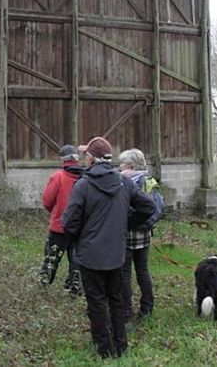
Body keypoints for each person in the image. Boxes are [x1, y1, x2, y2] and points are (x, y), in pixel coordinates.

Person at [62, 136, 155, 359]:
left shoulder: (83, 185)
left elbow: (68, 223)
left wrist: (82, 237)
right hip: (116, 255)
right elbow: (147, 207)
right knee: (116, 300)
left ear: (92, 159)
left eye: (87, 157)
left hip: (90, 256)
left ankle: (103, 349)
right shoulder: (124, 183)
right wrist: (125, 224)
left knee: (96, 302)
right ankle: (120, 346)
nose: (85, 161)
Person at [39, 144, 85, 296]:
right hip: (80, 228)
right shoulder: (86, 178)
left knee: (52, 257)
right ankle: (73, 288)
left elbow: (47, 201)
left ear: (63, 160)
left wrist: (55, 211)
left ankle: (44, 283)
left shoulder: (58, 177)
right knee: (77, 260)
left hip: (59, 227)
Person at [119, 148, 156, 324]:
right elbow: (153, 208)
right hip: (144, 235)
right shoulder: (149, 181)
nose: (119, 167)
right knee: (143, 271)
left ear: (131, 165)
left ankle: (126, 311)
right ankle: (147, 307)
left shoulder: (124, 182)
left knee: (125, 274)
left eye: (122, 163)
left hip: (127, 234)